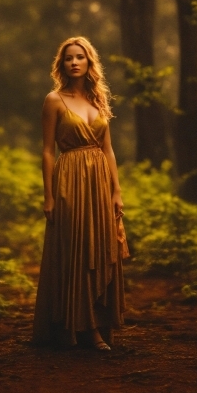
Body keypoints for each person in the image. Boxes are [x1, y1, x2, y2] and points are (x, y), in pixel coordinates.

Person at [32, 36, 128, 351]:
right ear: (61, 65)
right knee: (75, 250)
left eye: (80, 57)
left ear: (89, 63)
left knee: (100, 249)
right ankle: (73, 328)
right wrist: (48, 195)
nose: (74, 62)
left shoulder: (98, 100)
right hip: (70, 179)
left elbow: (109, 150)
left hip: (100, 182)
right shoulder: (54, 100)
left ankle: (95, 325)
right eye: (69, 58)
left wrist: (116, 191)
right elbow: (47, 151)